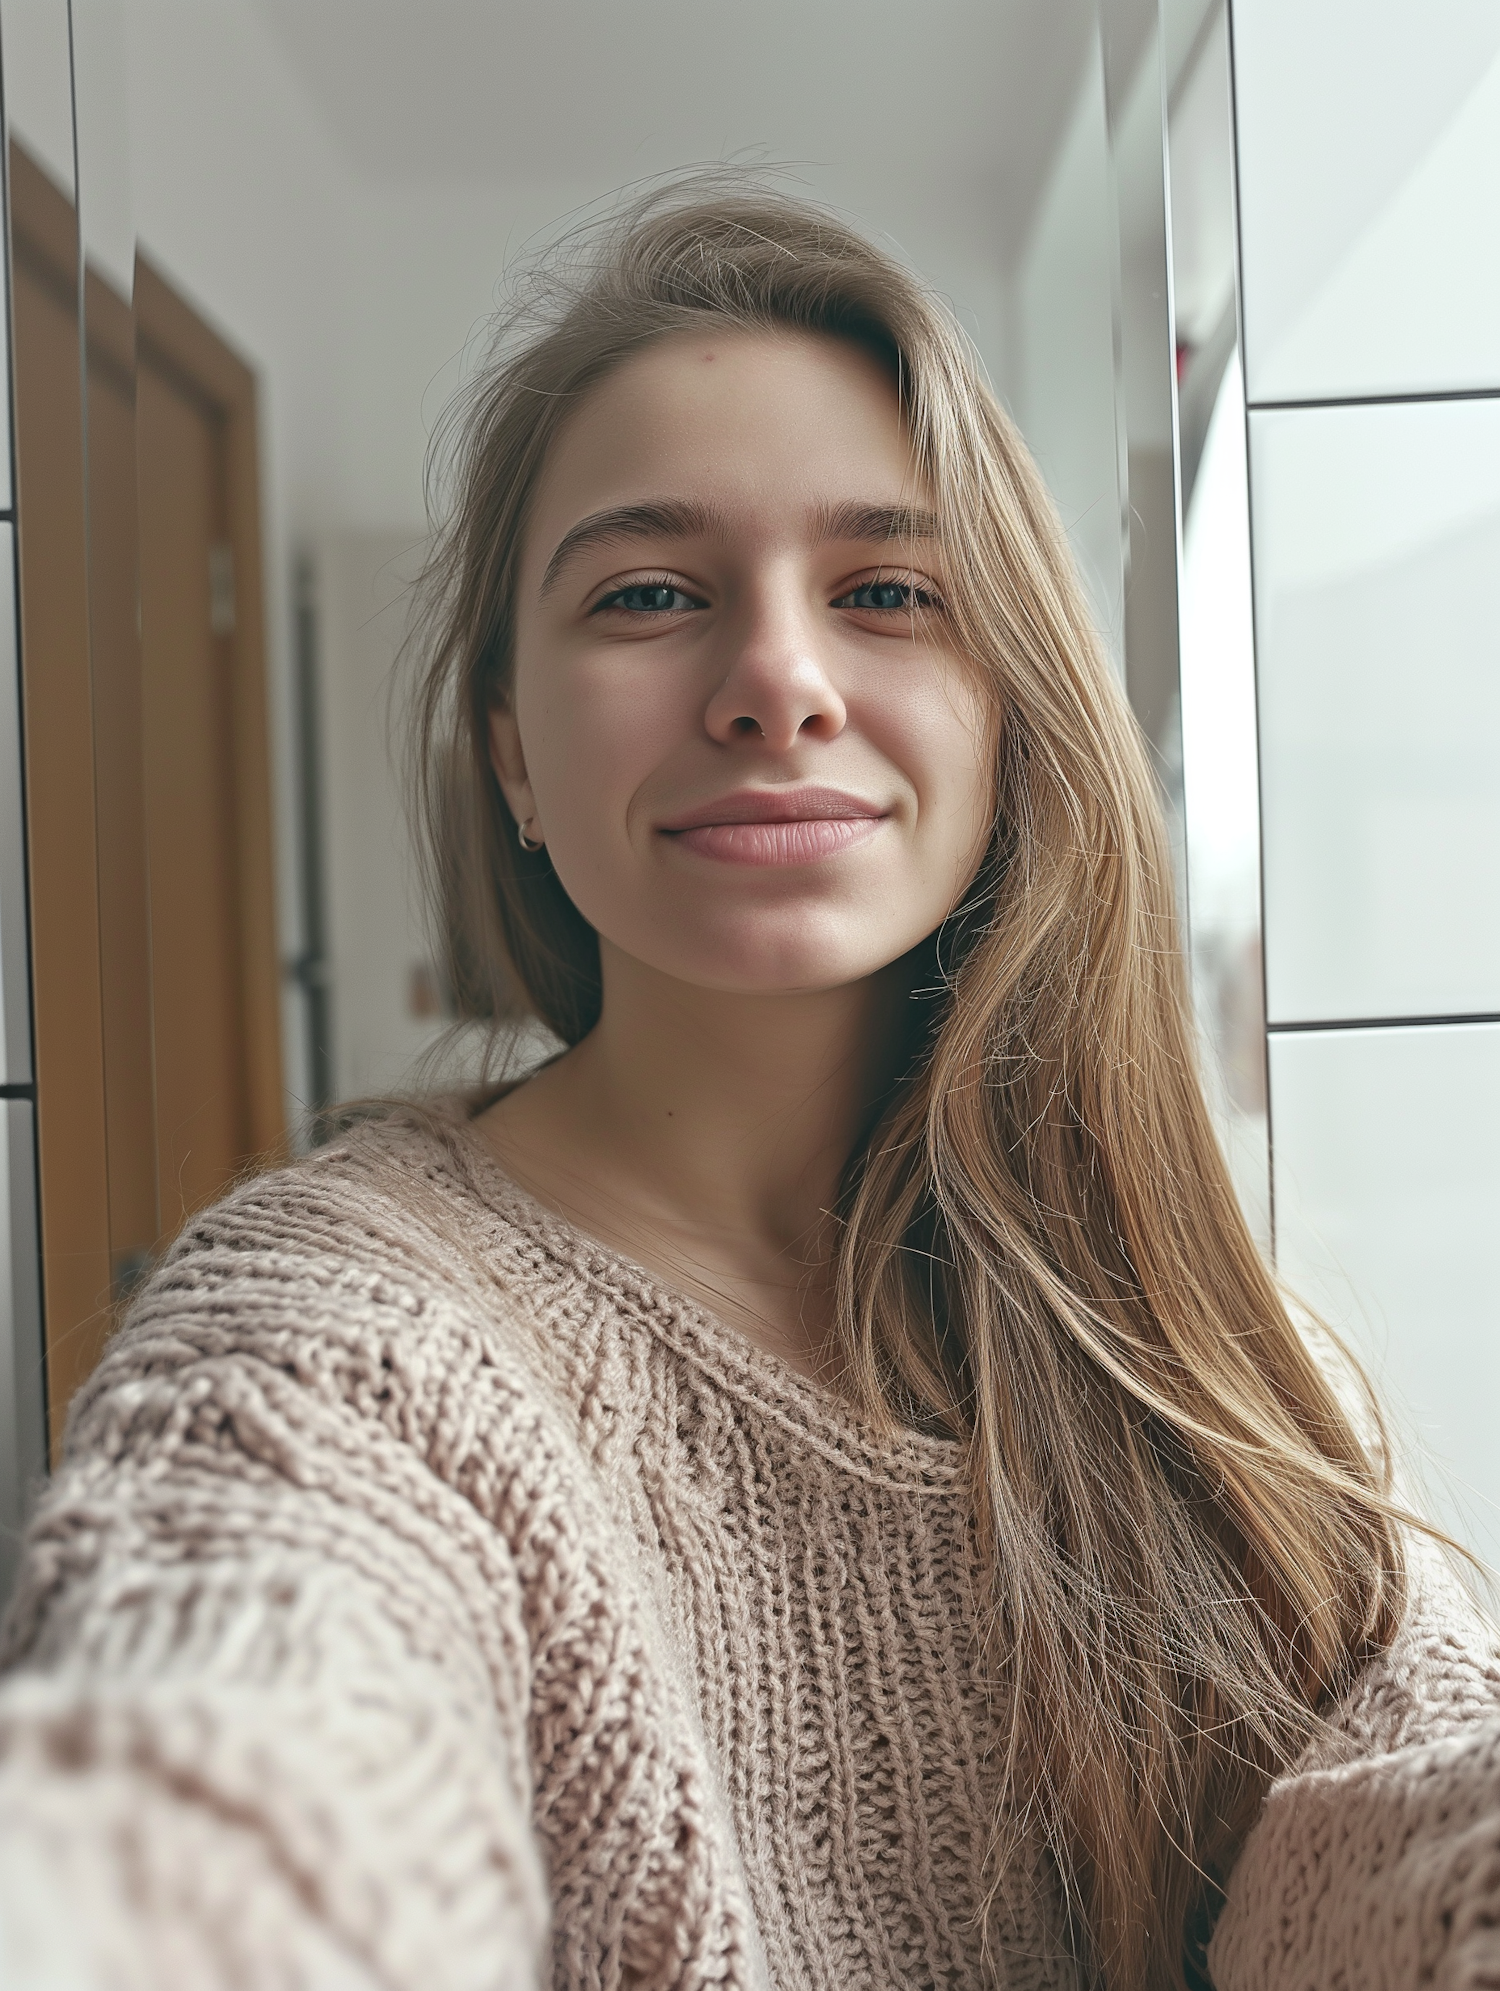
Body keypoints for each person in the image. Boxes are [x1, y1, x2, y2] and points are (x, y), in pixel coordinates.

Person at [1, 181, 1496, 1991]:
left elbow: (1411, 1807)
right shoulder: (337, 1341)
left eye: (887, 590)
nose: (780, 681)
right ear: (513, 761)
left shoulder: (1200, 1337)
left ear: (1014, 711)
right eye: (648, 593)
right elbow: (240, 1752)